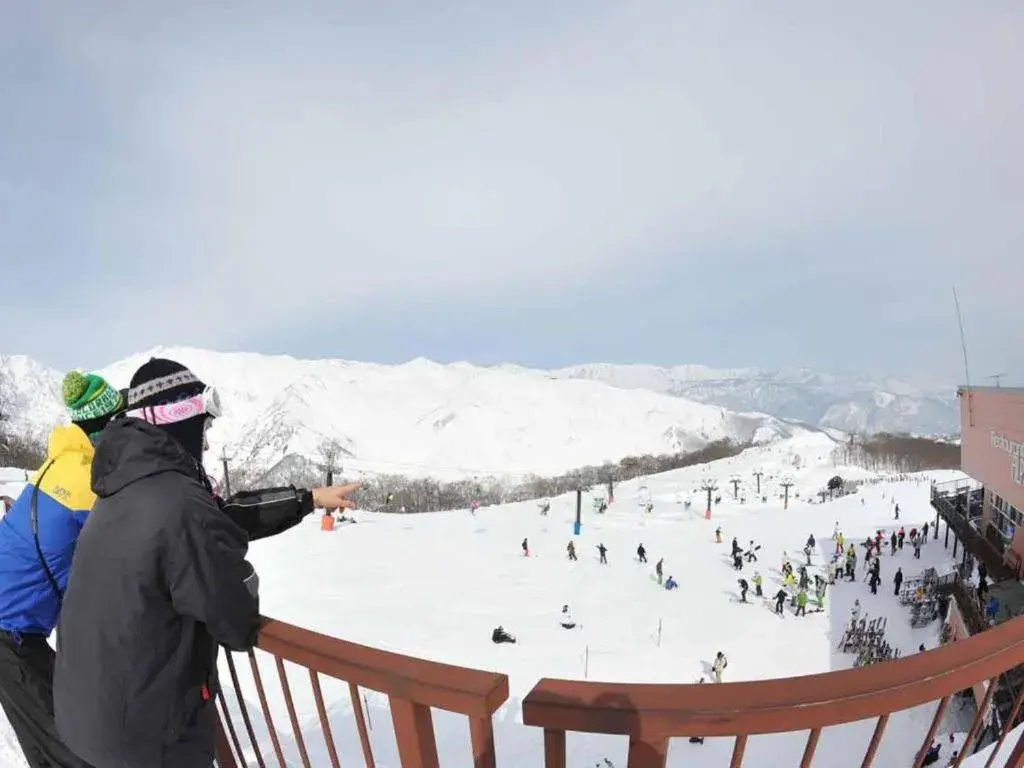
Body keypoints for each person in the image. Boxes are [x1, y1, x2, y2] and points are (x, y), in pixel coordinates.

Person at [52, 359, 358, 768]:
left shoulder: (118, 490)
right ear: (180, 422)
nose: (208, 445)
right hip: (144, 743)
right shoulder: (178, 502)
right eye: (204, 428)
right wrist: (241, 578)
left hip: (87, 723)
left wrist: (308, 499)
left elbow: (219, 516)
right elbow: (234, 621)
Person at [0, 371, 125, 768]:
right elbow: (138, 538)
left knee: (53, 737)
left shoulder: (59, 464)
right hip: (10, 634)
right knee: (66, 746)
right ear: (106, 426)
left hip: (17, 627)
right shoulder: (87, 482)